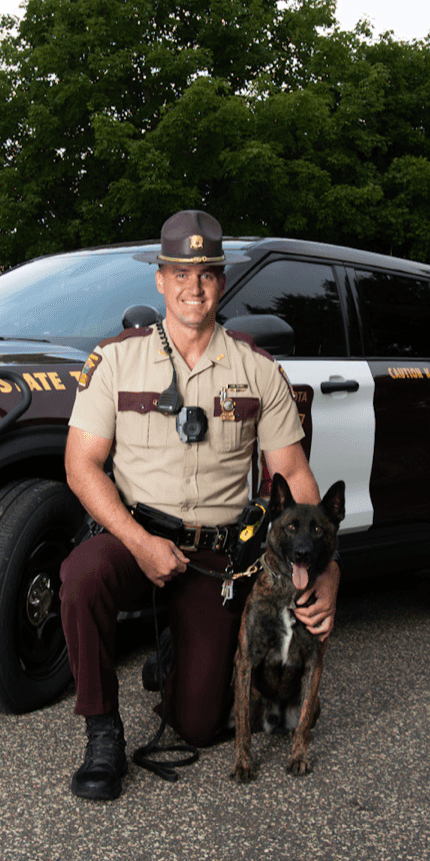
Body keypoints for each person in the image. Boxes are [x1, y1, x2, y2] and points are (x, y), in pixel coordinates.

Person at [59, 210, 340, 801]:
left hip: (214, 558)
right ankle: (101, 729)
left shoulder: (258, 373)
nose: (194, 285)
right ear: (159, 280)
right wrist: (139, 543)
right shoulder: (114, 361)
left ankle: (177, 656)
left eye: (207, 273)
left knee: (202, 726)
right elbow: (80, 466)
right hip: (134, 537)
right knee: (81, 576)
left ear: (221, 281)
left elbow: (292, 473)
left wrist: (328, 571)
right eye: (180, 272)